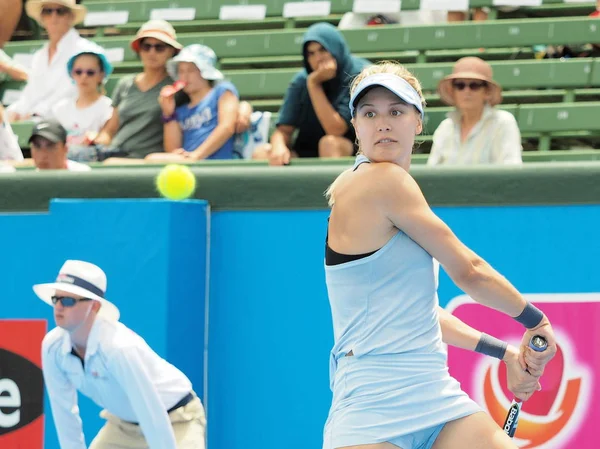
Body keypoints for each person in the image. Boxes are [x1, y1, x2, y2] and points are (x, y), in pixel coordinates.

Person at [322, 61, 557, 449]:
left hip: (435, 396)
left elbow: (421, 312)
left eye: (396, 111)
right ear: (356, 127)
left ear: (417, 122)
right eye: (370, 113)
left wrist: (505, 353)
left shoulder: (391, 188)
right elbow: (470, 271)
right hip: (370, 407)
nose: (383, 122)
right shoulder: (382, 181)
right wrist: (536, 320)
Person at [36, 260, 206, 449]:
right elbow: (64, 413)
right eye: (56, 299)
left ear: (94, 307)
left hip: (176, 420)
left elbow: (151, 412)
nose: (58, 307)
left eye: (68, 301)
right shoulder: (52, 347)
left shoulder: (118, 348)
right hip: (122, 427)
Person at [253, 22, 369, 165]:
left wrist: (314, 85)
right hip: (306, 150)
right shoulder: (301, 81)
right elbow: (283, 130)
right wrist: (278, 146)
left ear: (335, 48)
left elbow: (335, 130)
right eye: (311, 53)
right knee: (262, 153)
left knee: (329, 143)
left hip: (352, 151)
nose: (318, 58)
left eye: (323, 50)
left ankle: (335, 188)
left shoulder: (358, 75)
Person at [93, 20, 183, 160]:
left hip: (141, 159)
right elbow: (110, 130)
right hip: (111, 152)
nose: (152, 52)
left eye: (159, 47)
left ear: (172, 51)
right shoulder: (125, 83)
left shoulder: (176, 88)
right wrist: (97, 143)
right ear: (139, 50)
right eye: (146, 46)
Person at [146, 44, 240, 162]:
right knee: (152, 159)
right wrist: (168, 113)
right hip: (189, 166)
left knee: (152, 159)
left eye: (191, 70)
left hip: (215, 164)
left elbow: (227, 127)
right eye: (181, 71)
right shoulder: (181, 110)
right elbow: (172, 150)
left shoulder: (222, 91)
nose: (185, 76)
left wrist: (197, 155)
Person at [7, 0, 96, 121]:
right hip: (37, 121)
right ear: (42, 17)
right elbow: (30, 93)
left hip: (67, 124)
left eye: (60, 11)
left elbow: (70, 94)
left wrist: (34, 114)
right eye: (47, 11)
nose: (53, 16)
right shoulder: (39, 56)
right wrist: (15, 112)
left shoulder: (86, 52)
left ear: (71, 16)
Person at [427, 57, 522, 166]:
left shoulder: (503, 122)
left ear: (487, 92)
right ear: (453, 91)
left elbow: (511, 168)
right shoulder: (445, 128)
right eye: (460, 85)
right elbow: (432, 169)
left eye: (474, 85)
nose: (466, 91)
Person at [52, 49, 113, 162]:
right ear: (72, 74)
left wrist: (96, 139)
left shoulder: (107, 108)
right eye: (78, 72)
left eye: (90, 72)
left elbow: (107, 139)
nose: (83, 77)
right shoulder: (60, 108)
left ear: (101, 75)